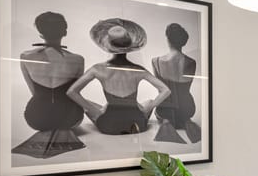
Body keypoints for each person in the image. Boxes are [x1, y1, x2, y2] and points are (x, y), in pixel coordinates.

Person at [67, 18, 171, 135]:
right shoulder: (139, 70)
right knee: (149, 101)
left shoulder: (97, 69)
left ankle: (107, 110)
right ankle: (120, 109)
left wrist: (97, 112)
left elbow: (72, 92)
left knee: (90, 105)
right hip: (136, 124)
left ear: (109, 45)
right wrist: (148, 108)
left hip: (109, 126)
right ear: (129, 46)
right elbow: (165, 90)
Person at [12, 12, 86, 158]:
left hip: (36, 118)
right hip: (70, 118)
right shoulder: (78, 60)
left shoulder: (25, 56)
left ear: (40, 33)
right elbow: (74, 94)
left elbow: (34, 91)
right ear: (64, 31)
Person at [151, 23, 201, 143]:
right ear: (183, 41)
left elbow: (161, 90)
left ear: (168, 39)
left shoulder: (156, 61)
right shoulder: (192, 62)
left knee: (162, 113)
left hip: (164, 109)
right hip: (188, 108)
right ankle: (186, 121)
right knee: (185, 116)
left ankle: (167, 122)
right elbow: (187, 86)